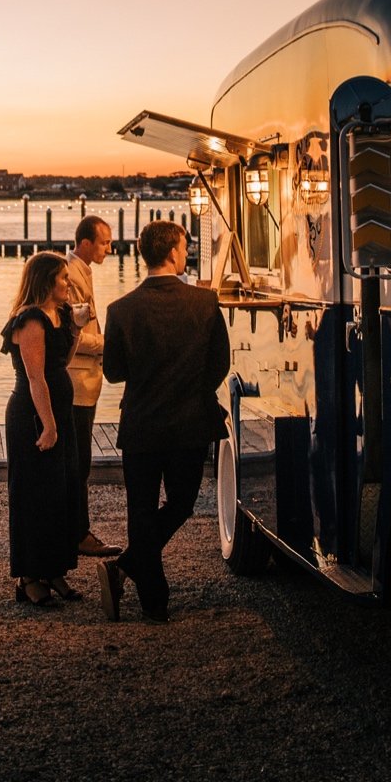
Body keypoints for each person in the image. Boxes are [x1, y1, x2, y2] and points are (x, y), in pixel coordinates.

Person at [97, 220, 230, 623]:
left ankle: (148, 593)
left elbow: (114, 373)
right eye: (185, 246)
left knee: (140, 509)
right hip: (189, 423)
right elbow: (220, 365)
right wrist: (192, 390)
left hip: (141, 424)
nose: (187, 251)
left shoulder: (120, 309)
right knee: (182, 503)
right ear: (173, 253)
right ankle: (136, 578)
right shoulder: (205, 304)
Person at [2, 250, 84, 606]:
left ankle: (55, 569)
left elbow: (63, 360)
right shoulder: (30, 319)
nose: (69, 283)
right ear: (46, 280)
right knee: (35, 493)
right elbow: (36, 377)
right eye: (64, 277)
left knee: (61, 491)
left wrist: (77, 327)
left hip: (58, 409)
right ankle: (29, 576)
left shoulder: (59, 313)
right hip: (33, 414)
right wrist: (49, 426)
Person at [64, 215, 116, 557]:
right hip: (76, 382)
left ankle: (74, 531)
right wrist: (107, 343)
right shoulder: (69, 275)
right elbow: (70, 336)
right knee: (77, 462)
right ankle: (77, 534)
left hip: (87, 382)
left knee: (79, 460)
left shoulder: (83, 271)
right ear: (86, 243)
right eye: (105, 243)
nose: (110, 250)